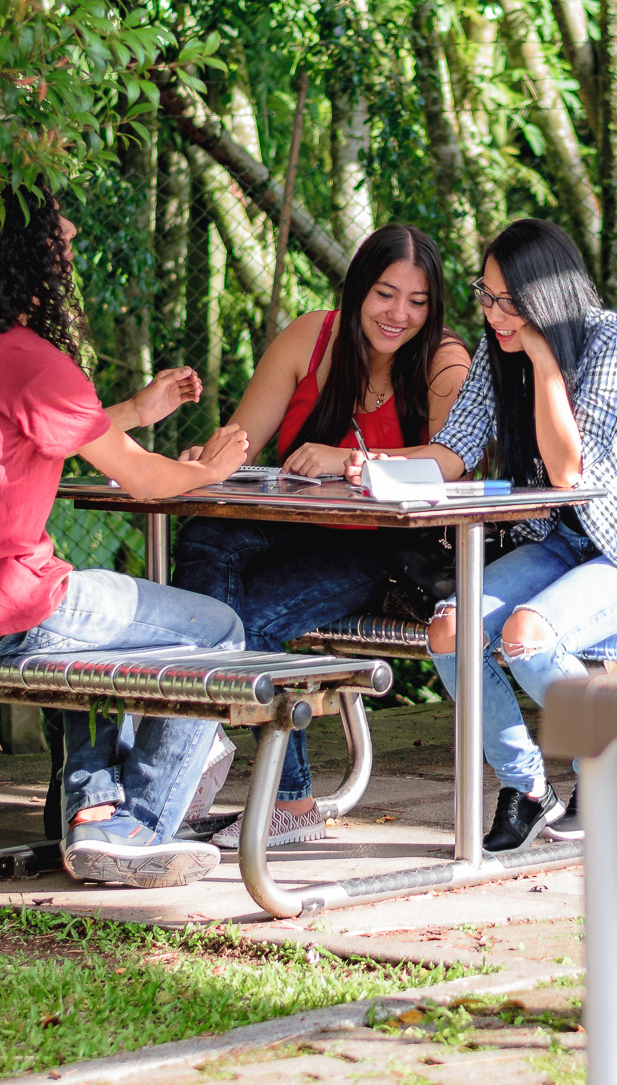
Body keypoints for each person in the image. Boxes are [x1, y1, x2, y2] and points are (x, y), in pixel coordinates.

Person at [0, 187, 253, 889]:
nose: (68, 262)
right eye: (60, 247)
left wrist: (139, 408)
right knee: (218, 629)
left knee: (83, 619)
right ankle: (141, 822)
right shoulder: (29, 357)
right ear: (22, 261)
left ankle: (92, 814)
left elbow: (31, 434)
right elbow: (144, 482)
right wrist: (216, 468)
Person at [348, 219, 617, 853]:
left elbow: (570, 470)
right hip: (567, 548)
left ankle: (608, 779)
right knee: (450, 629)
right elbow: (454, 450)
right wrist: (371, 467)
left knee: (526, 636)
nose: (494, 315)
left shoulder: (610, 341)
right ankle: (525, 789)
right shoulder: (499, 354)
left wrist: (544, 356)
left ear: (549, 298)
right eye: (487, 297)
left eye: (510, 301)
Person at [170, 225, 470, 850]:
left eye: (417, 302)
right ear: (359, 288)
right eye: (385, 294)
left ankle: (286, 797)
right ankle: (206, 738)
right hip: (286, 525)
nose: (399, 314)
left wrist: (350, 458)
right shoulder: (312, 335)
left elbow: (452, 461)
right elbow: (243, 439)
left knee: (242, 622)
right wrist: (209, 456)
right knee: (204, 534)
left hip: (378, 551)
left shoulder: (445, 360)